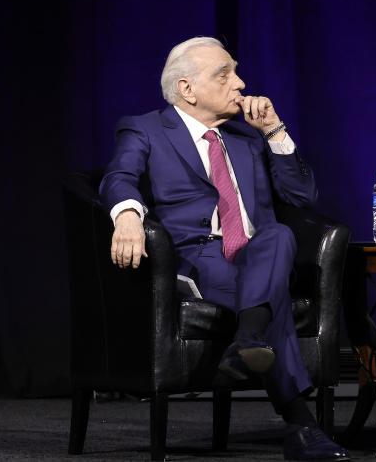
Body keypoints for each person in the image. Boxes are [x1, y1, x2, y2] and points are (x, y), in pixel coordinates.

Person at [100, 37, 347, 460]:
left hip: (261, 254)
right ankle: (301, 425)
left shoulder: (247, 139)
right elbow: (118, 177)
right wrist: (126, 215)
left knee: (280, 236)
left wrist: (274, 130)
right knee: (273, 300)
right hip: (199, 257)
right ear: (187, 89)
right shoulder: (145, 129)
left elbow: (303, 196)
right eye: (225, 74)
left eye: (236, 72)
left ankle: (248, 339)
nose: (241, 83)